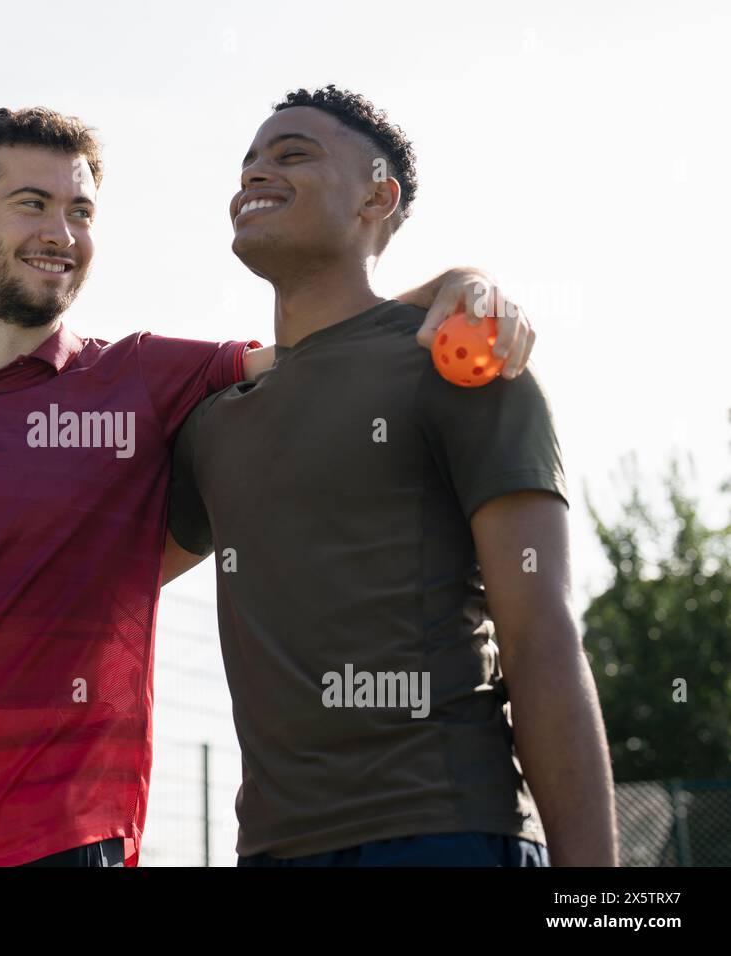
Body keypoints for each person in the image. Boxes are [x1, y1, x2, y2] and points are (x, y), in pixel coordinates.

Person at [0, 105, 535, 867]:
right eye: (32, 204)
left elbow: (320, 353)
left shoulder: (146, 378)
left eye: (80, 212)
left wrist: (455, 282)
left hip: (69, 841)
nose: (62, 233)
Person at [165, 86, 617, 866]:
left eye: (292, 154)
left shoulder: (465, 361)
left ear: (379, 193)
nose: (255, 174)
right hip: (270, 851)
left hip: (445, 834)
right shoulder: (212, 423)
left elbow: (541, 635)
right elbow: (99, 584)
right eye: (247, 163)